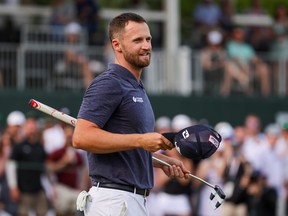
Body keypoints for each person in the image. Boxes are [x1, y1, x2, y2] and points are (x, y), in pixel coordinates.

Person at [72, 12, 191, 216]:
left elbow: (124, 148)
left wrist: (159, 161)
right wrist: (140, 140)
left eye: (148, 39)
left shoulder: (135, 86)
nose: (146, 46)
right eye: (137, 40)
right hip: (114, 201)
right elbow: (82, 137)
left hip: (131, 201)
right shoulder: (109, 83)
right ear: (117, 45)